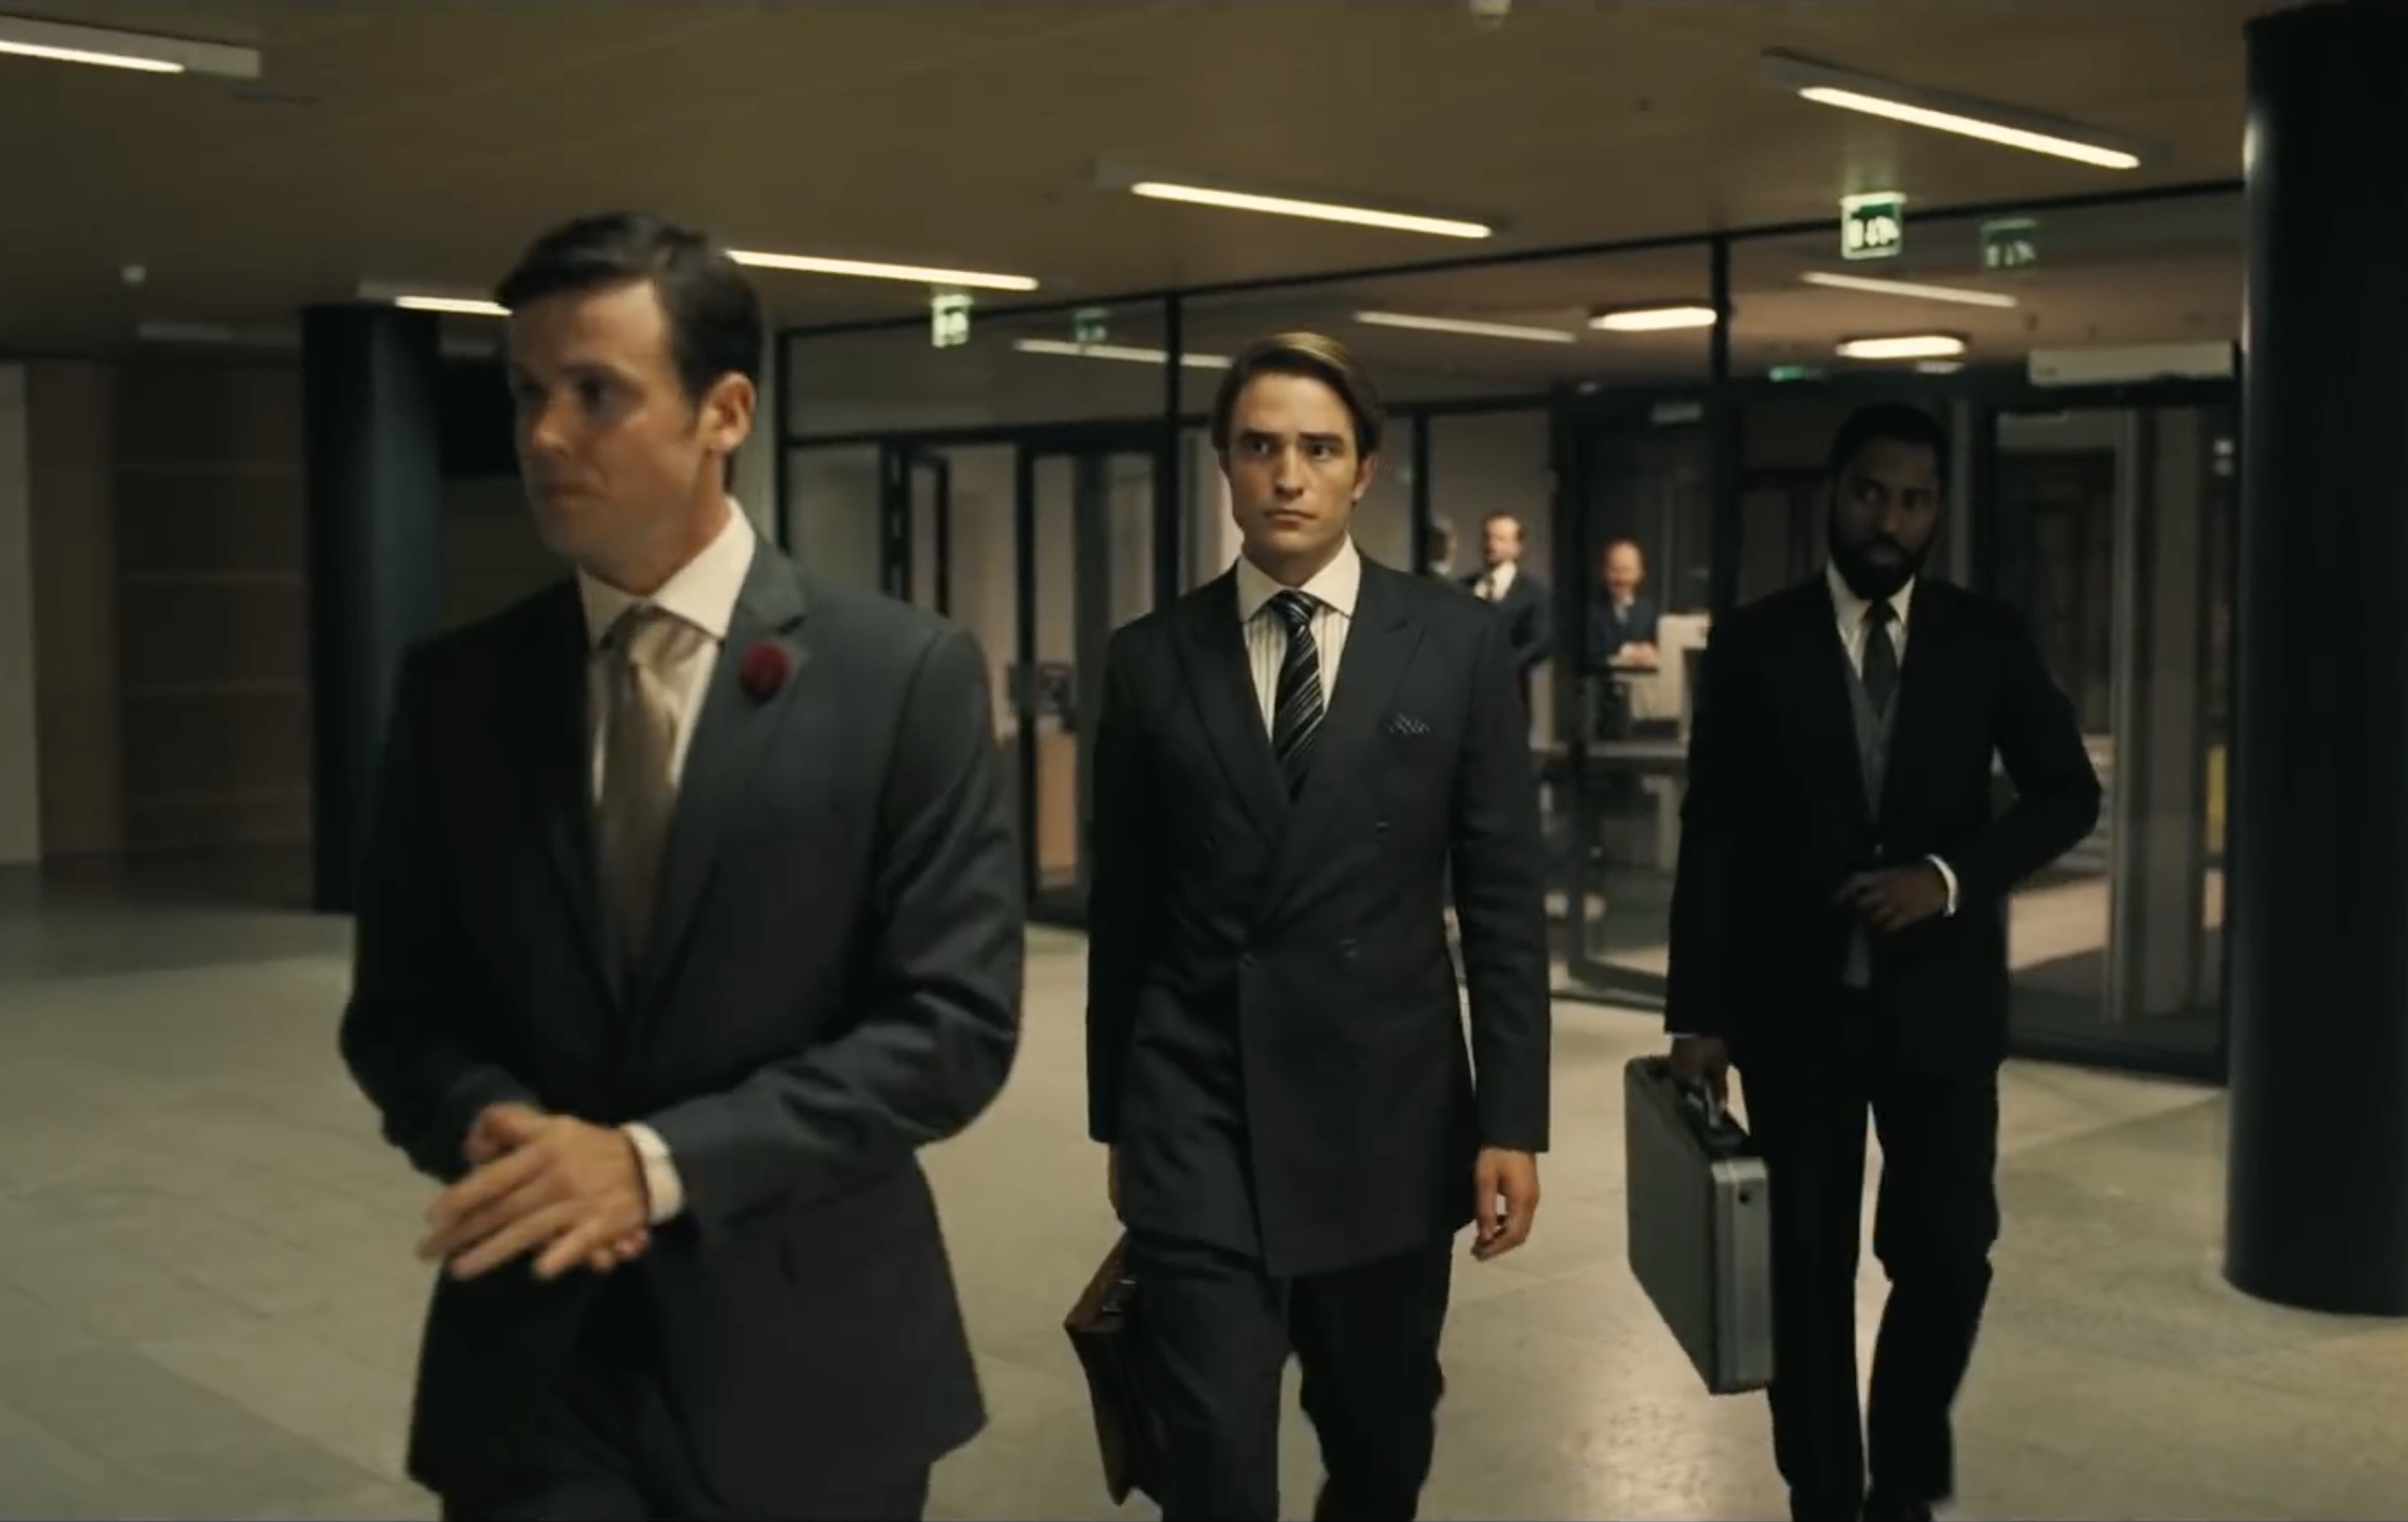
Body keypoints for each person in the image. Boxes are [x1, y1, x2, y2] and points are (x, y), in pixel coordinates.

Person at [337, 211, 1023, 1521]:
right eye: (526, 393)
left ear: (725, 413)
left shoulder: (901, 678)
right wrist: (495, 1127)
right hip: (538, 1361)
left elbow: (949, 1026)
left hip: (812, 1357)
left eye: (597, 394)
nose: (546, 436)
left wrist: (653, 1161)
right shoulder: (458, 690)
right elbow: (400, 1013)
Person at [1084, 331, 1551, 1522]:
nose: (1287, 475)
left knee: (1381, 1444)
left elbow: (1503, 897)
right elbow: (1123, 913)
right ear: (1224, 465)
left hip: (1390, 1111)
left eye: (1318, 448)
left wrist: (1510, 1117)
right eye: (1259, 447)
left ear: (1365, 469)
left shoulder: (1454, 643)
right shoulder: (1149, 661)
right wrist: (1119, 1115)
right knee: (1212, 1460)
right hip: (1200, 1105)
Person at [1663, 402, 2101, 1522]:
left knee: (1949, 1254)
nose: (1889, 520)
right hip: (1791, 1010)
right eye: (1871, 493)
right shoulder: (1757, 643)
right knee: (1805, 1266)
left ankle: (1901, 1480)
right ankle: (1821, 1492)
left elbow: (2068, 791)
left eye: (1913, 500)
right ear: (1835, 493)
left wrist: (1948, 876)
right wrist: (1696, 1014)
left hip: (1940, 1011)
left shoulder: (1984, 637)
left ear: (1937, 510)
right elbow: (1713, 835)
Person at [1462, 510, 1552, 712]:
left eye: (1501, 539)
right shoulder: (1463, 587)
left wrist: (1506, 665)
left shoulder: (1533, 593)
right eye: (1488, 537)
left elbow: (1540, 641)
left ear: (1517, 546)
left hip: (1510, 693)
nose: (1492, 544)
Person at [1588, 537, 1660, 666]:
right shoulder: (1590, 612)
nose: (1621, 578)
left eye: (1627, 570)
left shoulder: (1650, 611)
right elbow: (1590, 656)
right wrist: (1627, 652)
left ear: (1640, 574)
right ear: (1604, 572)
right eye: (1614, 570)